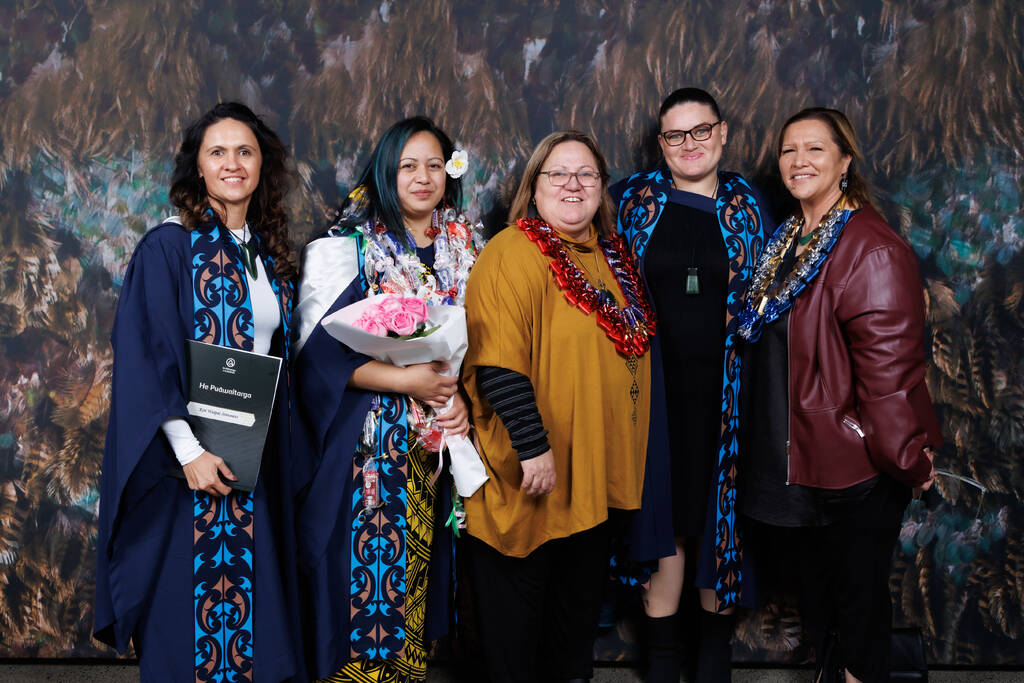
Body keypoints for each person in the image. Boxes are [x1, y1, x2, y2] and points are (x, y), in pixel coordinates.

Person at [93, 102, 304, 681]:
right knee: (189, 621)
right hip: (187, 466)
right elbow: (145, 354)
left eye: (245, 151)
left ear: (263, 164)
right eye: (218, 152)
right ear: (199, 168)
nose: (232, 163)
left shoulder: (268, 257)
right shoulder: (170, 247)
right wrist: (189, 451)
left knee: (256, 621)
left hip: (252, 459)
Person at [736, 107, 942, 683]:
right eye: (788, 150)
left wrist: (908, 459)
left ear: (846, 161)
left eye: (815, 150)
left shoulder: (870, 248)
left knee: (858, 616)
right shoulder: (790, 239)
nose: (798, 162)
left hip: (856, 465)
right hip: (803, 459)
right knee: (823, 609)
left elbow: (891, 377)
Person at [461, 130, 658, 683]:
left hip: (591, 486)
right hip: (532, 480)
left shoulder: (610, 258)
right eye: (558, 174)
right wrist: (533, 447)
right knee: (516, 649)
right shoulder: (512, 253)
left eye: (587, 175)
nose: (573, 184)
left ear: (601, 187)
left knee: (570, 646)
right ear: (535, 186)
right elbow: (497, 360)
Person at [292, 115, 478, 683]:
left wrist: (458, 396)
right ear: (385, 172)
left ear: (450, 172)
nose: (422, 178)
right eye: (407, 166)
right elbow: (317, 358)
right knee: (361, 586)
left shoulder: (467, 249)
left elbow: (483, 347)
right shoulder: (348, 249)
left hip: (431, 449)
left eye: (433, 165)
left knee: (413, 587)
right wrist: (406, 381)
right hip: (366, 453)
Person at [612, 87, 770, 682]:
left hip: (729, 394)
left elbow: (773, 302)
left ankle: (712, 657)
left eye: (700, 131)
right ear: (661, 144)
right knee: (665, 516)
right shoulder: (632, 201)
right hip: (652, 391)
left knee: (716, 515)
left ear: (723, 133)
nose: (690, 145)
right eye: (676, 136)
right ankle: (661, 657)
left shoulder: (750, 206)